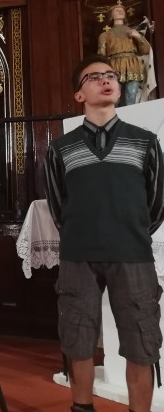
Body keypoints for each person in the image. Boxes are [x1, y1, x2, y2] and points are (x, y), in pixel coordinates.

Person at [44, 55, 164, 412]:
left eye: (110, 75)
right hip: (78, 255)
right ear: (79, 95)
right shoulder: (60, 148)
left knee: (142, 341)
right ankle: (82, 407)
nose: (106, 80)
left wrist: (129, 231)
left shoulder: (145, 141)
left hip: (133, 254)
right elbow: (58, 205)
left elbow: (157, 202)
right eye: (94, 77)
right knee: (77, 337)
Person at [97, 2, 151, 106]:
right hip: (113, 66)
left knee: (131, 96)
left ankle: (130, 115)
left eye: (122, 10)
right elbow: (101, 56)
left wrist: (138, 36)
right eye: (116, 10)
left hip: (132, 65)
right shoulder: (105, 35)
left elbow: (145, 50)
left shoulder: (133, 32)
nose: (120, 11)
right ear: (111, 15)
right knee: (114, 97)